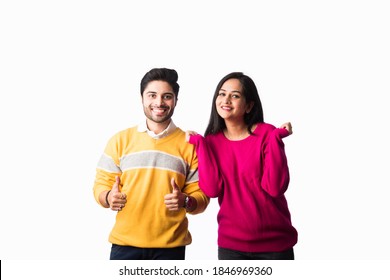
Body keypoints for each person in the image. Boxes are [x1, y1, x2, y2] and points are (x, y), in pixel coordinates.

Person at [93, 68, 209, 260]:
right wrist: (108, 197)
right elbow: (101, 184)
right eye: (152, 95)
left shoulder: (190, 145)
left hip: (171, 248)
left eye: (167, 96)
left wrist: (185, 200)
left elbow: (202, 196)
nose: (159, 102)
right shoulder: (120, 140)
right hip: (124, 245)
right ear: (142, 98)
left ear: (176, 101)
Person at [186, 72, 298, 260]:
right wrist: (200, 145)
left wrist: (276, 139)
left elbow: (275, 187)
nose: (226, 100)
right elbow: (212, 190)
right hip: (231, 247)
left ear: (249, 106)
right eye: (221, 94)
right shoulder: (211, 142)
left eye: (235, 95)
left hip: (275, 245)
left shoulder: (267, 134)